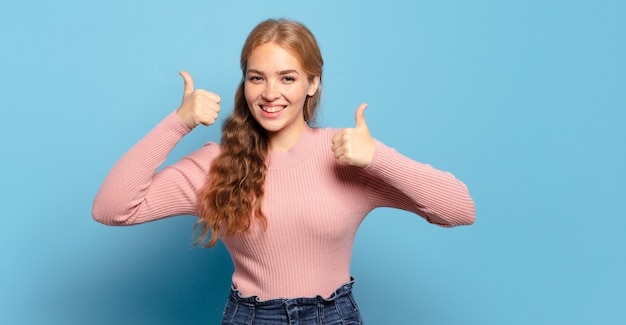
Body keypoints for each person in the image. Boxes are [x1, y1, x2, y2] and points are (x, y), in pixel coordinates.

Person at [92, 18, 475, 325]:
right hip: (251, 317)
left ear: (313, 83)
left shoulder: (348, 154)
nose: (270, 93)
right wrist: (178, 122)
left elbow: (459, 209)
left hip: (334, 317)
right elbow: (112, 209)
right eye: (257, 77)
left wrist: (378, 156)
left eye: (287, 78)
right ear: (246, 84)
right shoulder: (217, 164)